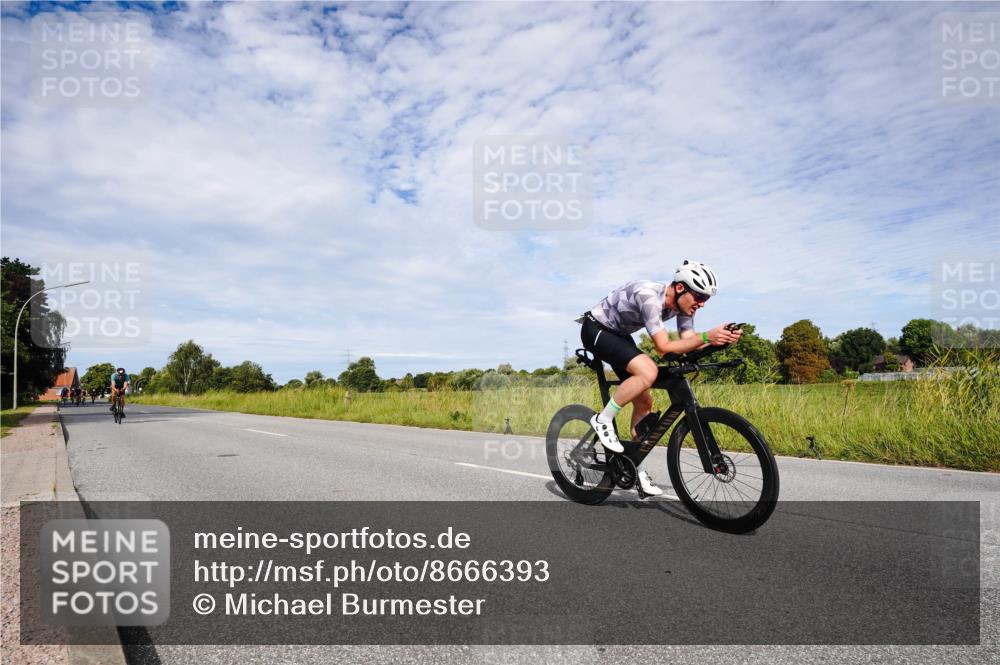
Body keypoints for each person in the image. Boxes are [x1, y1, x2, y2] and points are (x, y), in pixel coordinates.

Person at [578, 260, 742, 496]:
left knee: (644, 402)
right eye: (699, 297)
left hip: (619, 335)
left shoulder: (682, 307)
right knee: (649, 371)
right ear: (679, 288)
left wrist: (718, 340)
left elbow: (687, 343)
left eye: (706, 299)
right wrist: (708, 334)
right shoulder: (649, 297)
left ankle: (635, 466)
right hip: (596, 329)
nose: (701, 304)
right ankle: (603, 420)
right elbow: (664, 347)